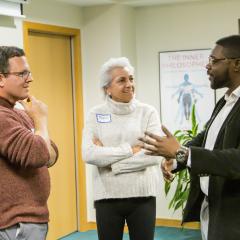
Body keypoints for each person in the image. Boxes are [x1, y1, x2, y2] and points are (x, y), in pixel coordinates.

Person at [139, 35, 240, 240]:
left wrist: (182, 152)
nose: (207, 66)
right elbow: (207, 137)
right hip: (212, 206)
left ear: (237, 64)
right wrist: (176, 160)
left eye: (214, 60)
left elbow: (236, 160)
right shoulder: (226, 100)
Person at [82, 57, 162, 240]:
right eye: (122, 80)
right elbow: (89, 153)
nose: (129, 85)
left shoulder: (147, 112)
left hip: (143, 195)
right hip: (107, 197)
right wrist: (129, 150)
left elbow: (155, 154)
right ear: (107, 88)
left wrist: (113, 165)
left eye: (131, 79)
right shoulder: (96, 114)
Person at [0, 46, 58, 240]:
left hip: (29, 220)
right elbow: (39, 154)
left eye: (29, 72)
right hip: (15, 224)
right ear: (1, 78)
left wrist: (42, 145)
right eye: (22, 73)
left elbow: (51, 154)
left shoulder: (18, 113)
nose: (30, 79)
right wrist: (41, 120)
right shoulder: (2, 117)